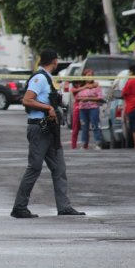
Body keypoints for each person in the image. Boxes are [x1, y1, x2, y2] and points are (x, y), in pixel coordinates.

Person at [11, 49, 85, 218]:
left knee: (59, 168)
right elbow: (27, 99)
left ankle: (64, 206)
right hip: (40, 126)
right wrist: (48, 108)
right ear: (54, 61)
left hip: (50, 128)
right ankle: (19, 207)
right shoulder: (39, 78)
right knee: (35, 167)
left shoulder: (48, 78)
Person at [76, 69, 104, 150]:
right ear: (84, 77)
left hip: (93, 108)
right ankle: (84, 144)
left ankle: (98, 143)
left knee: (94, 125)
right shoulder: (80, 86)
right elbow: (76, 97)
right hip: (83, 109)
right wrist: (82, 97)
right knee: (84, 127)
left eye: (91, 75)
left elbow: (100, 97)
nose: (90, 77)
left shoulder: (96, 86)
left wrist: (89, 98)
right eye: (88, 75)